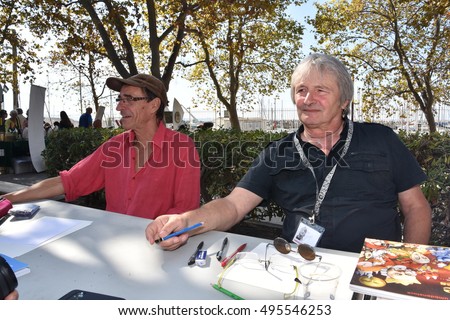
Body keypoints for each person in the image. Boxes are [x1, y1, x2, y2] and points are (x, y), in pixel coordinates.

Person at [145, 53, 432, 253]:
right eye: (301, 90)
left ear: (344, 100)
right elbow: (233, 206)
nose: (308, 99)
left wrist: (407, 265)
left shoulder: (380, 138)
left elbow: (416, 207)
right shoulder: (277, 152)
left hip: (370, 270)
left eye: (321, 90)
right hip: (297, 265)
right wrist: (186, 221)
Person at [2, 74, 201, 220]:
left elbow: (186, 210)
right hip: (114, 249)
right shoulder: (113, 147)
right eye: (119, 99)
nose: (119, 107)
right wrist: (7, 200)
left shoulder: (182, 147)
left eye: (128, 99)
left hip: (161, 250)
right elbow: (68, 182)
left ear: (154, 105)